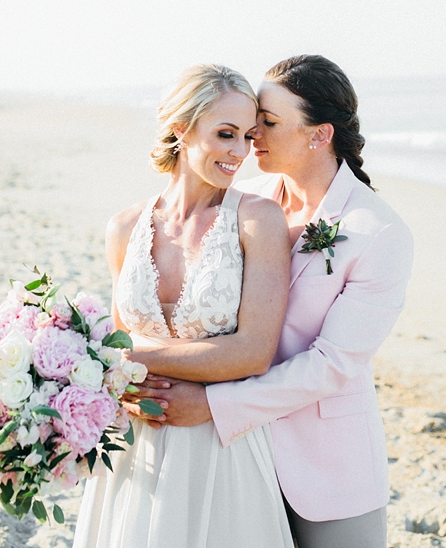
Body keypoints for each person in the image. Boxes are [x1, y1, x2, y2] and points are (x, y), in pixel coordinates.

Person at [136, 55, 414, 548]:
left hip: (326, 464)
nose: (251, 136)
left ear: (319, 134)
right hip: (231, 457)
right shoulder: (242, 199)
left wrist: (214, 404)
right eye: (248, 123)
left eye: (267, 122)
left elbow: (331, 365)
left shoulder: (379, 232)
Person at [72, 64, 294, 548]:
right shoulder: (124, 227)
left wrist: (129, 363)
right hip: (137, 446)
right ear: (181, 128)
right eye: (225, 134)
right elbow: (118, 336)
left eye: (248, 136)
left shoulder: (257, 221)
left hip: (218, 443)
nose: (240, 152)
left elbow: (254, 351)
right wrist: (112, 373)